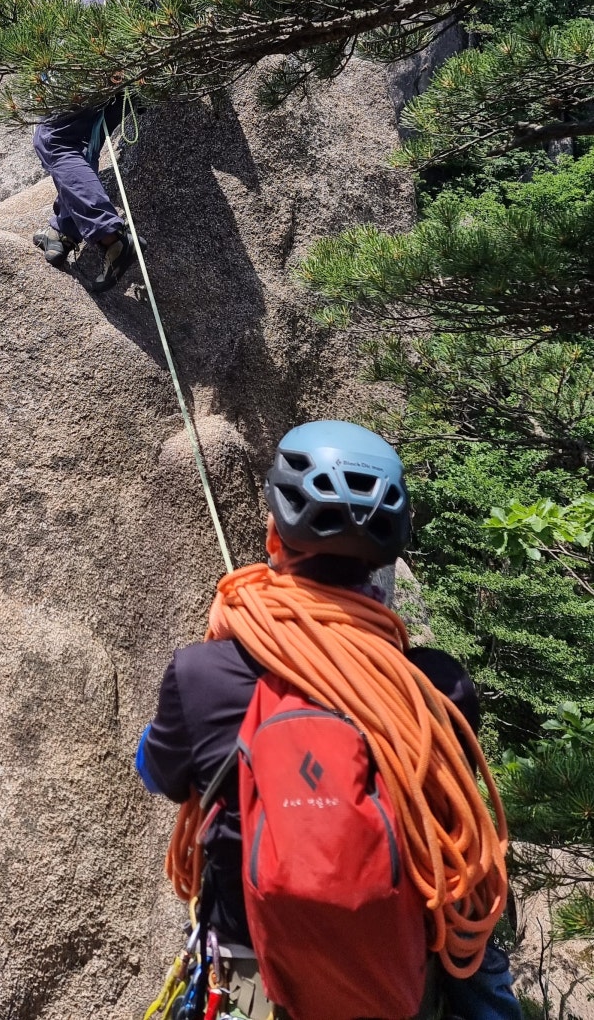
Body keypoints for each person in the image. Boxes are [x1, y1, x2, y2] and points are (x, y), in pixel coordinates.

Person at [136, 421, 522, 1020]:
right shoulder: (439, 687)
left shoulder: (200, 677)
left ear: (273, 534)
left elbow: (158, 775)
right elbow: (451, 825)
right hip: (394, 978)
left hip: (252, 978)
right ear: (387, 555)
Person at [30, 0, 138, 294]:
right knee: (80, 143)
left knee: (53, 139)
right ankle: (64, 231)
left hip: (109, 63)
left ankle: (110, 237)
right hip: (126, 72)